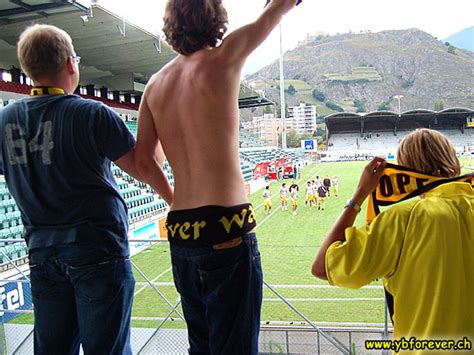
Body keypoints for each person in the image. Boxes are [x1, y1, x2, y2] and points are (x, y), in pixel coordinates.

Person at [134, 1, 300, 353]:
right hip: (226, 226)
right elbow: (276, 10)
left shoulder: (155, 84)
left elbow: (145, 161)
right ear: (215, 18)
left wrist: (174, 198)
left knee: (202, 345)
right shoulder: (225, 58)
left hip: (181, 228)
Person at [0, 24, 173, 354]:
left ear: (27, 68)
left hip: (41, 252)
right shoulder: (91, 113)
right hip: (97, 249)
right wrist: (158, 124)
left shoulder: (5, 120)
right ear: (70, 63)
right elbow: (146, 167)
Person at [312, 129, 474, 343]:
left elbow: (322, 267)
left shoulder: (403, 220)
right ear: (455, 164)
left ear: (405, 172)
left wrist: (359, 195)